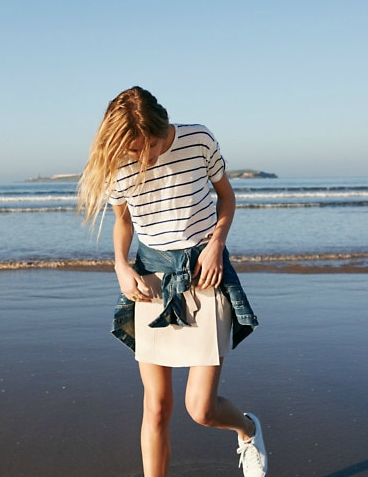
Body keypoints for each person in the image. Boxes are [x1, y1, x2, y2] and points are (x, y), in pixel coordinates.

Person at [77, 86, 267, 477]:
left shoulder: (198, 139)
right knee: (157, 405)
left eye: (144, 147)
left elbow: (226, 198)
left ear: (160, 127)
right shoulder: (120, 163)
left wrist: (216, 244)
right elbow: (124, 221)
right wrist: (119, 265)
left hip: (204, 274)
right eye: (131, 150)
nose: (139, 157)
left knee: (201, 409)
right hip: (150, 278)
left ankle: (247, 430)